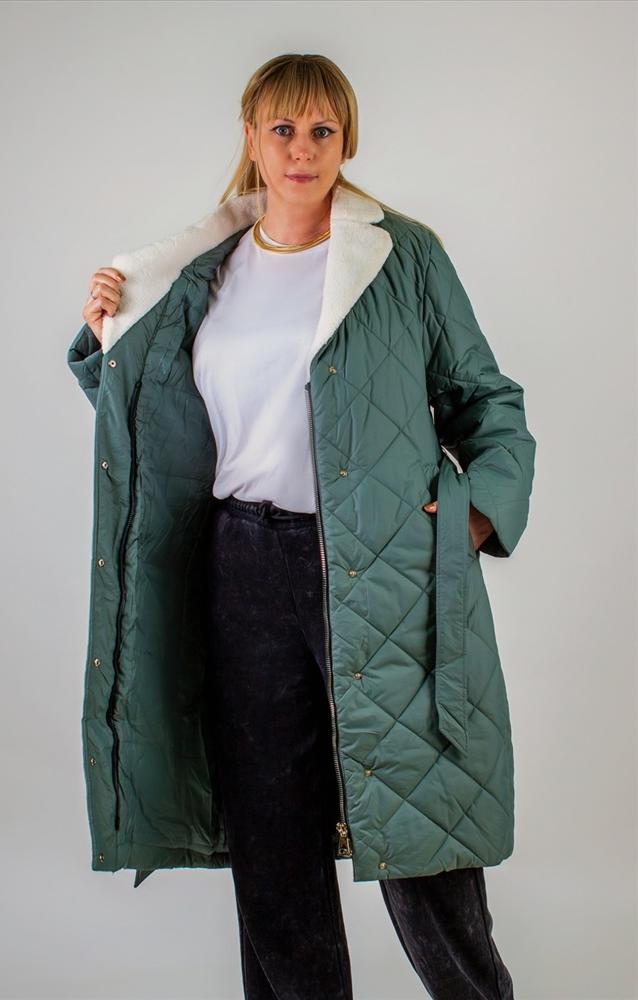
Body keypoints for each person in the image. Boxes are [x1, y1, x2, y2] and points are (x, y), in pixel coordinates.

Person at [69, 53, 535, 1000]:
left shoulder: (400, 257)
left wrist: (472, 516)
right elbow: (161, 424)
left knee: (418, 822)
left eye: (322, 130)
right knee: (272, 836)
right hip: (238, 565)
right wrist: (107, 337)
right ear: (250, 135)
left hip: (376, 562)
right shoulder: (199, 271)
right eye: (282, 128)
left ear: (345, 141)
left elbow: (486, 401)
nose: (301, 149)